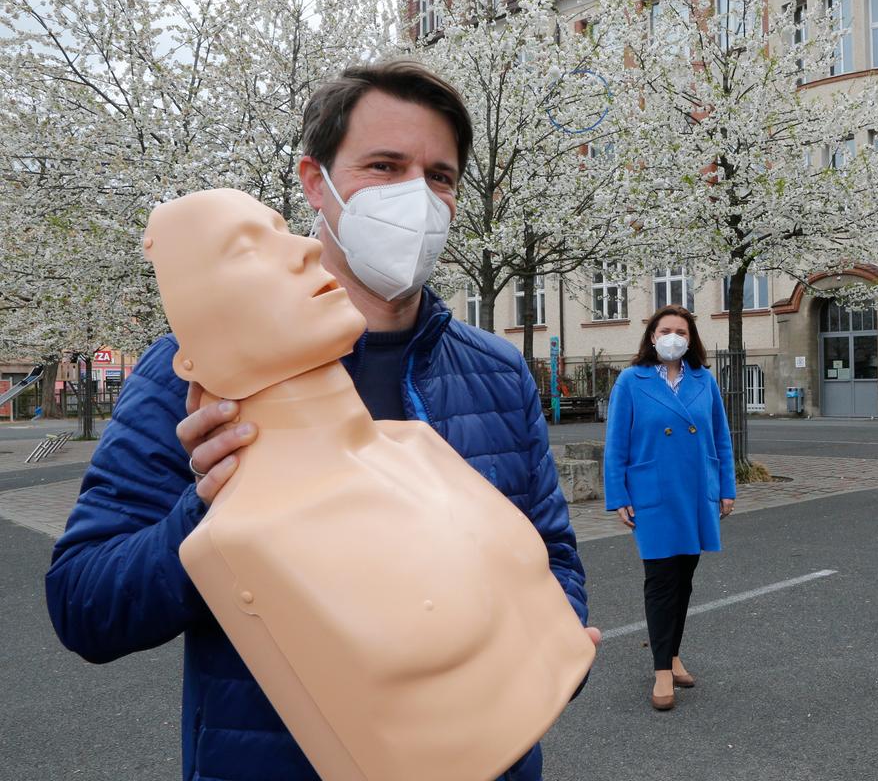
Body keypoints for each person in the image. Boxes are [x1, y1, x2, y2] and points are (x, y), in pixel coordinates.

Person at [45, 59, 596, 781]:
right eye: (383, 165)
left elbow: (553, 553)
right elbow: (84, 603)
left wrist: (549, 649)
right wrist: (201, 515)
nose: (416, 197)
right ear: (317, 183)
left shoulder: (494, 371)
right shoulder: (199, 372)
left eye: (439, 176)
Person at [603, 304, 736, 711]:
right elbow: (616, 443)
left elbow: (721, 439)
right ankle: (663, 671)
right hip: (652, 491)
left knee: (683, 579)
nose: (674, 336)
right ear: (652, 336)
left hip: (696, 491)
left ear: (691, 338)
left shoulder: (704, 380)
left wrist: (726, 487)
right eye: (666, 330)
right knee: (660, 580)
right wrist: (619, 495)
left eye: (681, 330)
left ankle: (673, 653)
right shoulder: (631, 380)